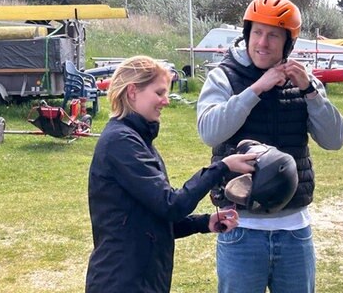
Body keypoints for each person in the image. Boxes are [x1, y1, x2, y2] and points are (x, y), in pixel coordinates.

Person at [196, 0, 343, 292]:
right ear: (247, 35)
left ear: (288, 43)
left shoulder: (305, 82)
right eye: (257, 33)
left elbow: (334, 139)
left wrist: (310, 92)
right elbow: (209, 132)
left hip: (294, 231)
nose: (263, 43)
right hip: (241, 229)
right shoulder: (223, 76)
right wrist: (256, 89)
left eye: (273, 35)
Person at [85, 55, 257, 292]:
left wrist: (205, 222)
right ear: (133, 92)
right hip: (122, 282)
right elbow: (171, 205)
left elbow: (153, 220)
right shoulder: (121, 142)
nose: (165, 101)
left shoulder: (137, 139)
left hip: (144, 279)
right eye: (159, 93)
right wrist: (223, 167)